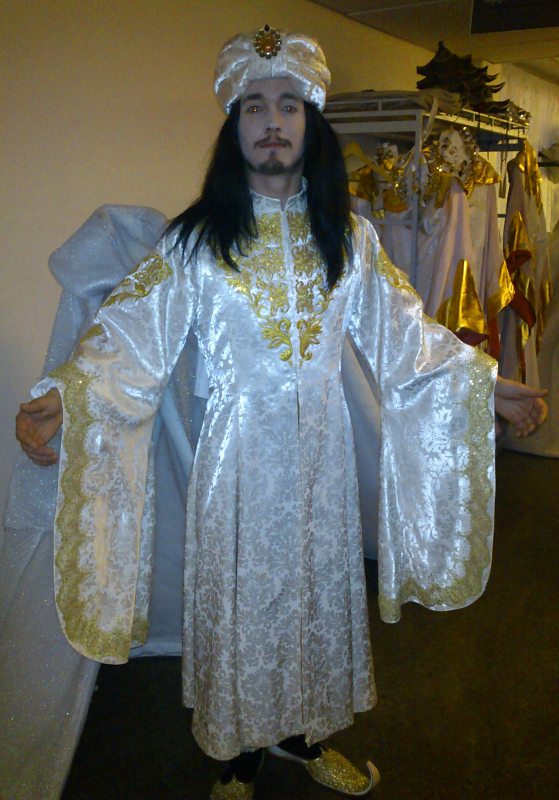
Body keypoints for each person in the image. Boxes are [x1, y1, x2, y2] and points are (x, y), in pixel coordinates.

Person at [14, 25, 547, 800]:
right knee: (241, 602)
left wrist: (487, 382)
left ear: (310, 121)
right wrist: (64, 396)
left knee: (315, 597)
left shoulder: (349, 238)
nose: (271, 121)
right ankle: (237, 752)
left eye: (288, 105)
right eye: (254, 106)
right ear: (234, 127)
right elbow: (129, 333)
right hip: (234, 461)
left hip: (321, 459)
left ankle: (304, 734)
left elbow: (405, 334)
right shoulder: (195, 243)